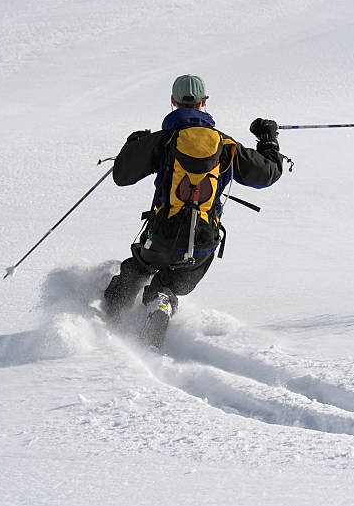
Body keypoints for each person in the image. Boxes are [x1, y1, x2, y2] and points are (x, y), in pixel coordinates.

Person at [102, 74, 284, 348]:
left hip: (160, 237)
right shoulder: (225, 145)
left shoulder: (163, 140)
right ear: (204, 103)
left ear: (173, 102)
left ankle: (101, 329)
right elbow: (267, 174)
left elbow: (122, 175)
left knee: (138, 269)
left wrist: (133, 146)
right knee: (170, 285)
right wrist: (268, 140)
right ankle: (161, 303)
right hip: (201, 245)